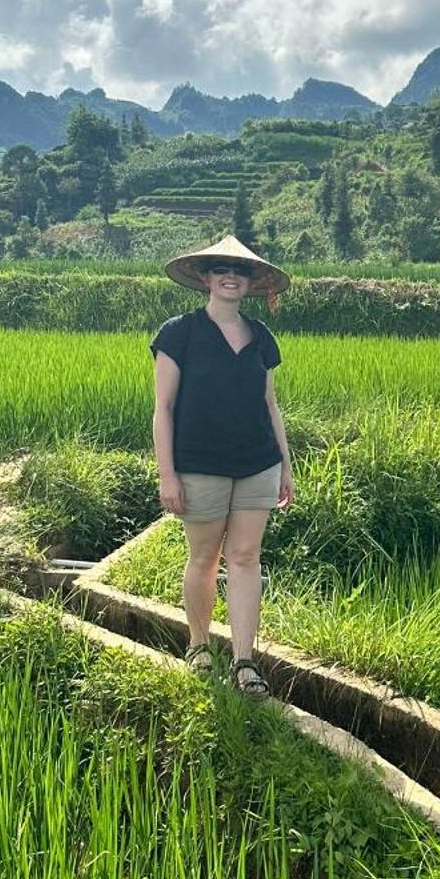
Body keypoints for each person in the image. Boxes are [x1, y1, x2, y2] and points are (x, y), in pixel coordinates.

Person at [151, 234, 294, 695]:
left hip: (258, 463)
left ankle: (244, 660)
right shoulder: (178, 333)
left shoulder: (261, 337)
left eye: (241, 271)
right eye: (221, 269)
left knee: (246, 557)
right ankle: (197, 646)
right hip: (199, 465)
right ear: (206, 277)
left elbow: (270, 405)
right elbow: (163, 409)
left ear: (251, 282)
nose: (231, 276)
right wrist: (167, 474)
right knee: (205, 557)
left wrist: (286, 467)